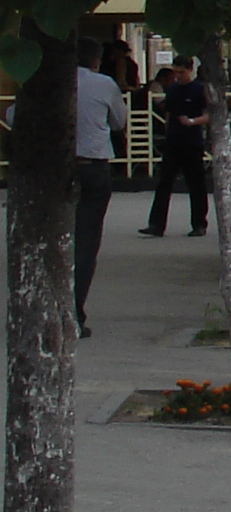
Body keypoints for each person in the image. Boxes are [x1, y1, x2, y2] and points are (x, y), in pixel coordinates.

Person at [64, 39, 128, 336]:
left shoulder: (49, 80)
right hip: (93, 166)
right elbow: (119, 122)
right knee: (86, 242)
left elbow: (14, 115)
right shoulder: (105, 84)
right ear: (97, 61)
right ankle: (74, 312)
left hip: (54, 169)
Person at [142, 55, 212, 237]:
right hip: (173, 141)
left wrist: (192, 121)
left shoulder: (199, 89)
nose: (178, 76)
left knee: (196, 184)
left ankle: (199, 223)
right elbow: (169, 113)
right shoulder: (172, 89)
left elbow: (209, 115)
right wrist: (167, 132)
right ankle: (156, 224)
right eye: (175, 72)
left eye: (181, 72)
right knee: (164, 183)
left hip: (192, 142)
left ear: (190, 70)